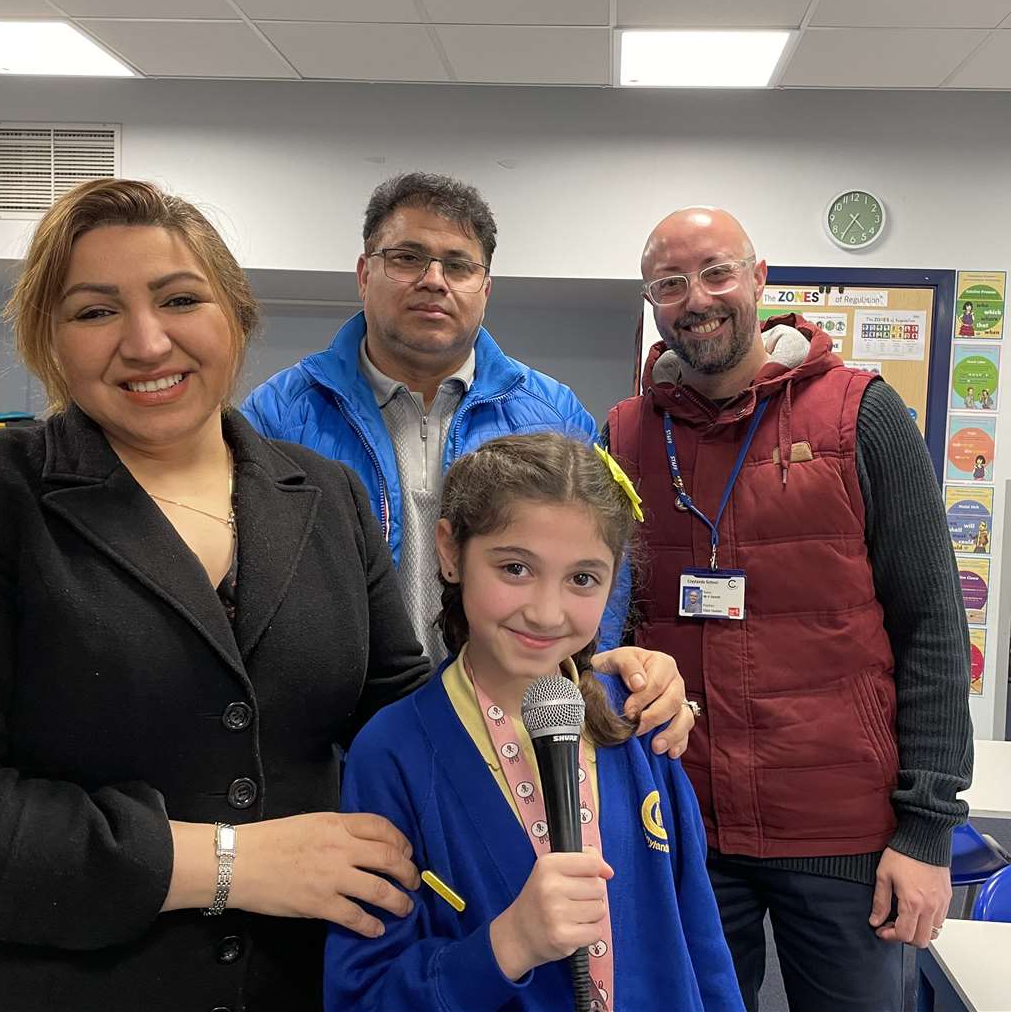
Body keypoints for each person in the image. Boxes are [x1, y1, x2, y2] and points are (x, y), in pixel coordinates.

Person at [0, 178, 452, 1011]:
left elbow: (399, 717)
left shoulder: (324, 496)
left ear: (234, 313)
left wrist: (574, 688)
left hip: (291, 985)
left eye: (180, 298)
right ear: (49, 339)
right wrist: (228, 865)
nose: (148, 342)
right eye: (94, 311)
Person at [605, 207, 973, 1012]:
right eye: (669, 283)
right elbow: (613, 624)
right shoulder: (627, 433)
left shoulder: (860, 414)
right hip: (685, 820)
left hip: (842, 828)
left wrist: (926, 831)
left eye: (715, 272)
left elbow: (934, 628)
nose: (695, 298)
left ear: (759, 279)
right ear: (652, 302)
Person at [241, 171, 694, 756]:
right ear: (364, 274)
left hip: (510, 732)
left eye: (458, 265)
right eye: (407, 257)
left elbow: (602, 568)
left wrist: (591, 682)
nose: (434, 281)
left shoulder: (552, 412)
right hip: (332, 742)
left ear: (485, 286)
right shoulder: (278, 416)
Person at [323, 434, 741, 1011]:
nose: (547, 613)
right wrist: (507, 944)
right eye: (516, 568)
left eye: (583, 579)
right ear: (450, 552)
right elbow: (363, 996)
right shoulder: (393, 755)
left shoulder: (640, 720)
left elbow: (699, 937)